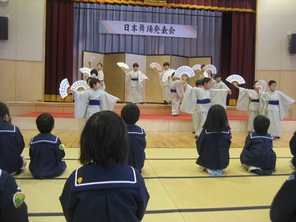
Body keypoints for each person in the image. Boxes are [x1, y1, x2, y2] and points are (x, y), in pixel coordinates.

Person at [60, 111, 149, 222]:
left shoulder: (76, 179)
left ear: (86, 142)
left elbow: (69, 212)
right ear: (122, 141)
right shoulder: (134, 177)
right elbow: (139, 211)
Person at [196, 104, 231, 176]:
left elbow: (199, 144)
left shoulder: (206, 131)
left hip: (208, 159)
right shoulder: (227, 132)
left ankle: (209, 166)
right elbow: (228, 145)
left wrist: (201, 154)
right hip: (223, 161)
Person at [29, 113, 67, 179]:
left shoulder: (33, 141)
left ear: (37, 126)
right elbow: (61, 155)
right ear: (53, 126)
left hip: (36, 171)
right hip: (53, 171)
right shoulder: (56, 140)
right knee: (63, 164)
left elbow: (32, 155)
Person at [0, 102, 26, 175]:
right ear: (6, 116)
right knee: (23, 160)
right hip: (11, 169)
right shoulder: (13, 129)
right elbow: (21, 146)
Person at [121, 103, 146, 173]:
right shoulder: (141, 132)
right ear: (138, 117)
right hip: (138, 165)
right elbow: (143, 146)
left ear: (121, 116)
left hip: (122, 165)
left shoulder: (119, 130)